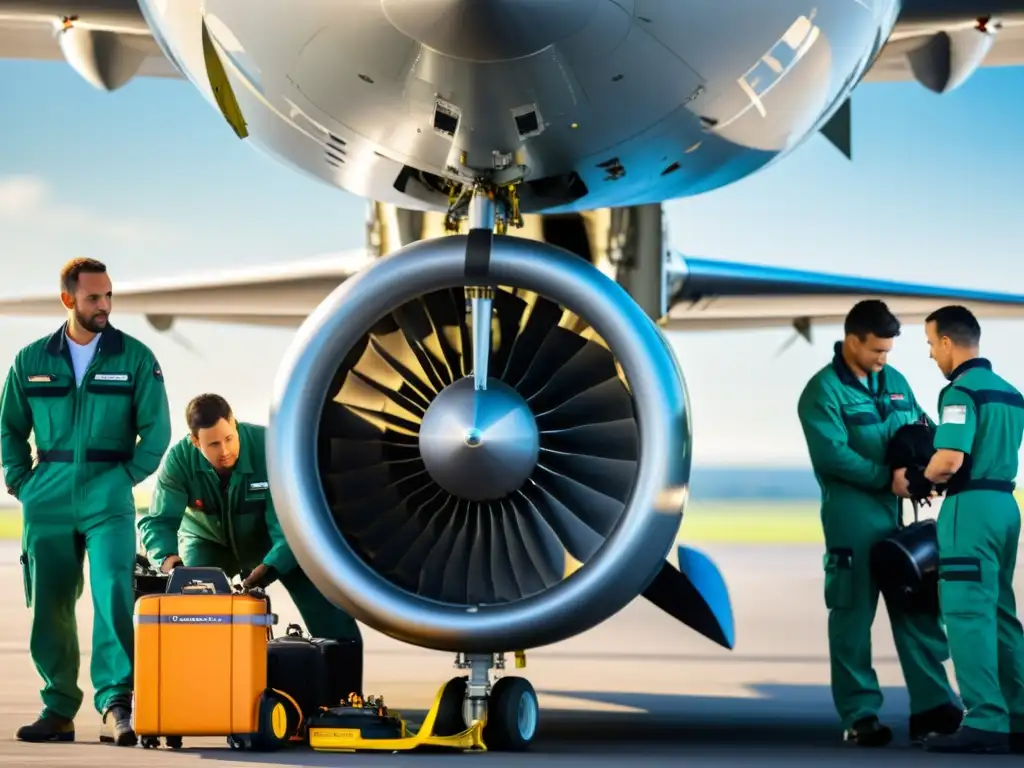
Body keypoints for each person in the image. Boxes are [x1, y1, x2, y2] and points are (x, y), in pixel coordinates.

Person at [0, 257, 172, 745]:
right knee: (50, 603)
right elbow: (9, 427)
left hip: (108, 495)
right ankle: (57, 709)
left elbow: (157, 431)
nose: (104, 306)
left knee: (114, 593)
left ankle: (117, 704)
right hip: (46, 495)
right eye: (95, 297)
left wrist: (124, 480)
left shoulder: (135, 357)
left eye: (109, 295)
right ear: (68, 299)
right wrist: (21, 481)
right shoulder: (31, 360)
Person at [796, 299, 963, 747]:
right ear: (853, 341)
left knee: (919, 608)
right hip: (853, 519)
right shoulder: (822, 392)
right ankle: (860, 715)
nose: (883, 359)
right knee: (852, 618)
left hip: (899, 517)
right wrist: (884, 480)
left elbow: (920, 423)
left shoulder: (896, 382)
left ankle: (933, 706)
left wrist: (924, 469)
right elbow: (831, 455)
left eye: (888, 351)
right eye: (876, 351)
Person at [136, 393, 364, 673]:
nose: (225, 451)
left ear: (235, 424)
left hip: (277, 544)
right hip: (207, 542)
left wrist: (271, 566)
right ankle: (206, 688)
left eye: (229, 438)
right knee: (195, 610)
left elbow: (290, 521)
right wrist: (170, 562)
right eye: (213, 444)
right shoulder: (178, 461)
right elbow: (158, 522)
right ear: (195, 442)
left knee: (328, 607)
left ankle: (345, 695)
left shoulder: (271, 448)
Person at [899, 305, 1024, 755]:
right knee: (1001, 614)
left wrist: (921, 478)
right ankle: (1017, 715)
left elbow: (950, 459)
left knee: (967, 614)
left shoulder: (960, 392)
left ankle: (986, 721)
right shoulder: (1010, 393)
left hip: (969, 510)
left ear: (948, 342)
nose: (932, 355)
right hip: (1005, 505)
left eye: (932, 345)